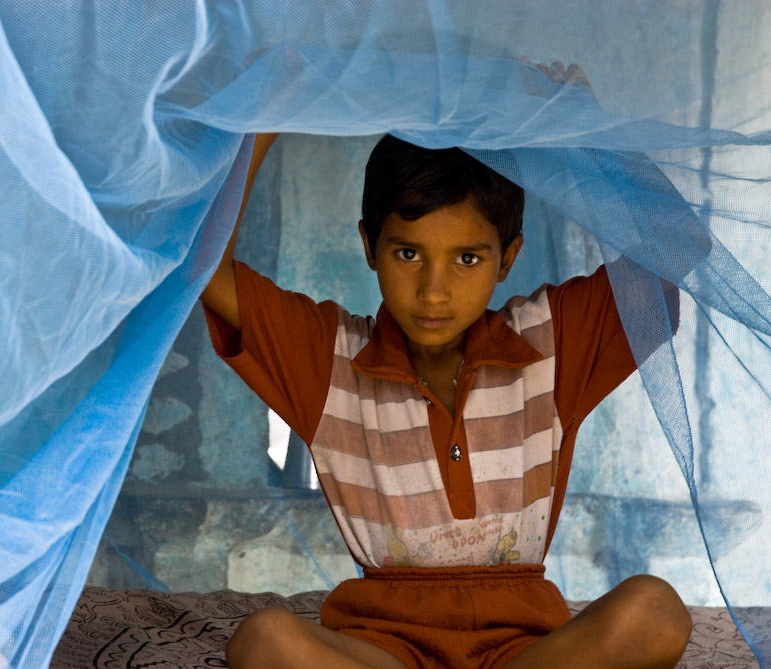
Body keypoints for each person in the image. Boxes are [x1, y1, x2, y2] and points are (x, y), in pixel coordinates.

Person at [199, 63, 693, 669]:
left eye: (466, 257)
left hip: (525, 652)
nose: (434, 290)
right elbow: (200, 259)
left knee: (657, 609)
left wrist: (586, 129)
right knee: (264, 640)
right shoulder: (326, 359)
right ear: (368, 246)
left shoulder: (552, 343)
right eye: (408, 253)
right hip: (383, 650)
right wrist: (266, 118)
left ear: (507, 257)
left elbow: (679, 247)